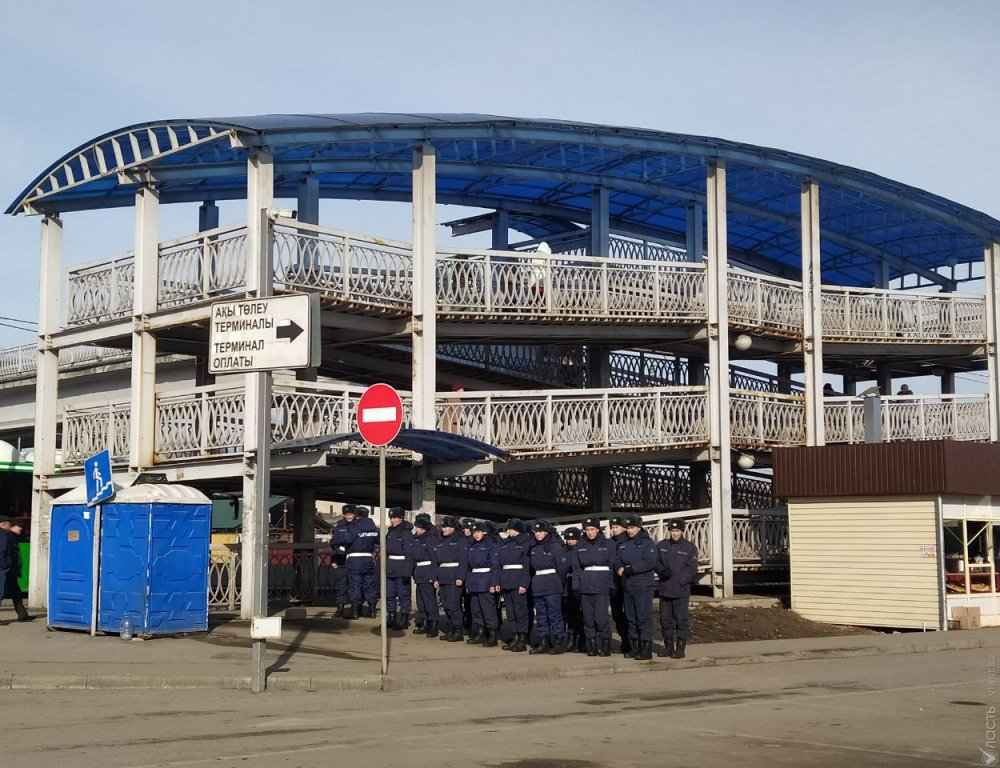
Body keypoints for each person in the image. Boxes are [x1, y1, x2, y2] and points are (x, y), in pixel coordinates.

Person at [614, 514, 657, 660]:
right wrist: (619, 567)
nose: (630, 531)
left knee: (643, 617)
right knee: (631, 618)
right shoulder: (623, 544)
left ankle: (646, 648)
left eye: (633, 528)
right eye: (628, 528)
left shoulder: (647, 543)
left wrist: (630, 568)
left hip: (643, 585)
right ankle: (635, 646)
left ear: (639, 528)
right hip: (628, 585)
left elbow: (649, 562)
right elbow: (617, 559)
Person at [655, 519, 699, 659]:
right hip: (665, 589)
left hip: (680, 591)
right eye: (672, 531)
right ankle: (668, 646)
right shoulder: (662, 545)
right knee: (665, 620)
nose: (674, 534)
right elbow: (655, 561)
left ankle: (680, 648)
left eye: (677, 531)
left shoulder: (689, 547)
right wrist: (661, 571)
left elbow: (692, 567)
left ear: (682, 531)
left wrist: (682, 580)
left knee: (681, 620)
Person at [573, 517, 615, 657]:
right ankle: (591, 645)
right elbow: (576, 568)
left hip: (602, 586)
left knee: (601, 618)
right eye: (587, 530)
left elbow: (612, 566)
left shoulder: (608, 544)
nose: (590, 532)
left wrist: (612, 585)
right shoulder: (580, 546)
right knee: (588, 618)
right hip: (586, 587)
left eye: (592, 529)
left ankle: (605, 645)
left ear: (598, 529)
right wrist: (576, 587)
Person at [528, 519, 567, 655]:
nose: (538, 534)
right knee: (541, 615)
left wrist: (557, 583)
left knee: (554, 614)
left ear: (546, 532)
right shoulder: (533, 548)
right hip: (539, 584)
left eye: (541, 532)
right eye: (536, 532)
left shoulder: (555, 547)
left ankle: (557, 642)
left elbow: (562, 569)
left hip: (552, 584)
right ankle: (543, 641)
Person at [338, 505, 379, 619]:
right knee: (369, 585)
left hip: (354, 559)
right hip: (369, 559)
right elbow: (379, 541)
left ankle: (355, 612)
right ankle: (372, 611)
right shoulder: (373, 528)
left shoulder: (354, 527)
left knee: (355, 585)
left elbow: (345, 540)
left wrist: (334, 542)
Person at [464, 521, 501, 647]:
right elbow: (469, 568)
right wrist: (468, 584)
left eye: (478, 532)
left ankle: (492, 634)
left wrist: (493, 583)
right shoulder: (472, 546)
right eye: (474, 533)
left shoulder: (490, 545)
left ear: (484, 532)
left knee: (488, 610)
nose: (476, 535)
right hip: (475, 581)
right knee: (476, 610)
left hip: (486, 580)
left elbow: (495, 566)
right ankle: (480, 632)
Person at [498, 517, 531, 652]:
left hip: (518, 581)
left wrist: (524, 583)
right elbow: (501, 564)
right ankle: (515, 636)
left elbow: (526, 566)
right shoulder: (505, 543)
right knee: (510, 612)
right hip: (506, 580)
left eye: (510, 529)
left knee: (520, 611)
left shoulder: (525, 543)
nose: (508, 531)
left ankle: (522, 639)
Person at [434, 515, 469, 642]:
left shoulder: (460, 541)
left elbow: (463, 561)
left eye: (447, 526)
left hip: (454, 576)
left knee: (453, 605)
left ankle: (458, 630)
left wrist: (460, 577)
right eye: (443, 526)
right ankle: (451, 628)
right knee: (445, 604)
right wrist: (436, 578)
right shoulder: (441, 541)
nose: (444, 529)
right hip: (443, 576)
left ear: (454, 528)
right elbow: (438, 562)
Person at [409, 513, 440, 637]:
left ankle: (433, 624)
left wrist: (434, 576)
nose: (415, 529)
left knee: (429, 600)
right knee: (421, 601)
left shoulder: (430, 539)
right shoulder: (416, 539)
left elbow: (434, 559)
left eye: (417, 527)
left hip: (427, 573)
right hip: (419, 573)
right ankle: (425, 622)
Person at [384, 507, 414, 630]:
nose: (393, 520)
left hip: (401, 567)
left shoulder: (405, 533)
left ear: (401, 518)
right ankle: (391, 617)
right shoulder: (390, 532)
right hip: (391, 566)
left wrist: (407, 571)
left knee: (403, 595)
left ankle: (404, 619)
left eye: (395, 518)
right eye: (391, 518)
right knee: (389, 594)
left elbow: (409, 553)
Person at [607, 515, 631, 655]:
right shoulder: (609, 543)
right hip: (613, 583)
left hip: (625, 582)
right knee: (617, 615)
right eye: (612, 528)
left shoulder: (628, 541)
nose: (614, 530)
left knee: (628, 614)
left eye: (617, 527)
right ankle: (625, 641)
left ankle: (630, 643)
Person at [0, 516, 30, 623]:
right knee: (1, 592)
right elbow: (2, 552)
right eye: (10, 524)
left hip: (10, 570)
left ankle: (23, 614)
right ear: (4, 524)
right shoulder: (4, 534)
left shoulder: (8, 535)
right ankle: (22, 615)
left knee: (15, 592)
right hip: (5, 569)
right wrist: (5, 566)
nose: (21, 528)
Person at [561, 527, 585, 653]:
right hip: (566, 588)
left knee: (579, 615)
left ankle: (581, 640)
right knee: (569, 615)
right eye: (568, 539)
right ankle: (570, 639)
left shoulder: (581, 550)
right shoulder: (563, 552)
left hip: (578, 586)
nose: (570, 541)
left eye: (573, 539)